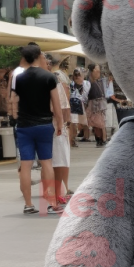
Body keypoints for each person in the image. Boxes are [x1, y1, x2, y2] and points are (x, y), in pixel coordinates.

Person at [12, 45, 64, 215]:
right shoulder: (49, 77)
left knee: (25, 165)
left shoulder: (18, 78)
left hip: (24, 126)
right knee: (46, 162)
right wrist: (60, 123)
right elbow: (56, 104)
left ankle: (28, 204)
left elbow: (14, 100)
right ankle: (50, 203)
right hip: (44, 125)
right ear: (38, 56)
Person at [51, 68, 72, 204]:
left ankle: (60, 191)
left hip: (56, 125)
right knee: (58, 160)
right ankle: (58, 192)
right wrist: (62, 123)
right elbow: (60, 109)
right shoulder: (54, 85)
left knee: (60, 160)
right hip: (56, 126)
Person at [85, 64, 107, 147]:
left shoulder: (98, 80)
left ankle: (102, 139)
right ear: (93, 70)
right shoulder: (89, 80)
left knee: (100, 122)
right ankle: (99, 139)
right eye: (97, 70)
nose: (99, 71)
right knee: (96, 123)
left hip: (99, 103)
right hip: (93, 103)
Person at [69, 68, 89, 146]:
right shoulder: (71, 84)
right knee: (73, 122)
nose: (77, 77)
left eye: (79, 75)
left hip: (80, 104)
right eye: (75, 75)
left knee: (80, 123)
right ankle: (72, 139)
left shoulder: (86, 84)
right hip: (73, 104)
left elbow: (85, 95)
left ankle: (75, 138)